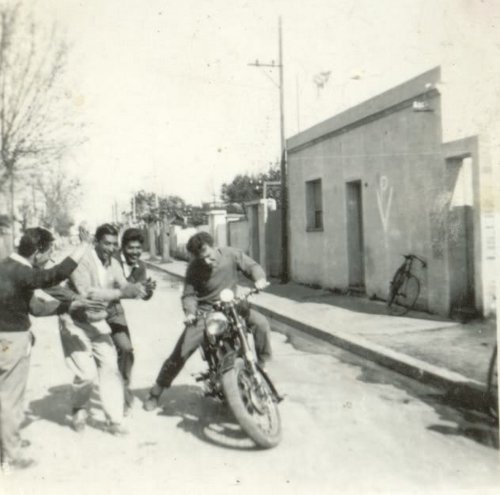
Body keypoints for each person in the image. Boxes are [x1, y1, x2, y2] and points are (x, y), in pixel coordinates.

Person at [0, 227, 97, 471]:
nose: (48, 258)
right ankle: (11, 455)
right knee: (10, 399)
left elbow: (34, 306)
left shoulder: (6, 267)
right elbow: (53, 276)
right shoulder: (23, 272)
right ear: (37, 252)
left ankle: (7, 443)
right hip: (12, 341)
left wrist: (67, 306)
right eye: (48, 252)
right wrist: (83, 247)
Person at [143, 232, 272, 411]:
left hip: (233, 305)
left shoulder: (231, 254)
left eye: (209, 256)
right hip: (206, 312)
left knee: (262, 324)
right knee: (183, 349)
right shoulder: (194, 268)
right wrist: (190, 313)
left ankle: (262, 367)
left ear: (214, 246)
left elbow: (252, 266)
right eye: (201, 258)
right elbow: (189, 294)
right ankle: (156, 391)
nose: (207, 262)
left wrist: (260, 279)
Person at [57, 223, 146, 435]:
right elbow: (88, 292)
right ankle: (79, 408)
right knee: (87, 374)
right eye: (106, 243)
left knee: (110, 368)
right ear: (96, 242)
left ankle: (114, 420)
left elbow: (122, 284)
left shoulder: (113, 262)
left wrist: (137, 289)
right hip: (74, 322)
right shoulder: (82, 260)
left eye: (115, 244)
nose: (111, 248)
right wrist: (122, 293)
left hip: (98, 321)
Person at [106, 227, 156, 415]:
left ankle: (123, 392)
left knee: (126, 349)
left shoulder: (140, 266)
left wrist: (147, 291)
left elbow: (140, 294)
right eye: (130, 248)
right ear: (122, 248)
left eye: (138, 248)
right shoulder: (111, 260)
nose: (135, 252)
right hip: (94, 307)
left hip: (113, 309)